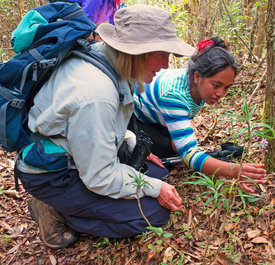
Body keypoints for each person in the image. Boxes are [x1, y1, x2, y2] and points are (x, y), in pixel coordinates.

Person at [14, 5, 195, 249]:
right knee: (153, 213)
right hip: (53, 173)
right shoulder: (95, 93)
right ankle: (55, 210)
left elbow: (102, 127)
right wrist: (156, 189)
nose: (165, 64)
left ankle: (70, 203)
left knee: (158, 173)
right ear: (136, 52)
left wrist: (129, 142)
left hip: (76, 154)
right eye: (161, 53)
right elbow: (99, 176)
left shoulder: (110, 60)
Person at [129, 37, 266, 193]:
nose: (221, 93)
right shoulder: (174, 95)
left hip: (158, 114)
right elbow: (189, 155)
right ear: (196, 77)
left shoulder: (197, 87)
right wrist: (234, 171)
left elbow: (186, 112)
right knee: (165, 154)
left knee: (175, 145)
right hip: (135, 119)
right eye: (216, 85)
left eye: (226, 87)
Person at [48, 0, 119, 25]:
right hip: (66, 9)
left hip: (84, 17)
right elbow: (87, 17)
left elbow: (113, 20)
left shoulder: (115, 3)